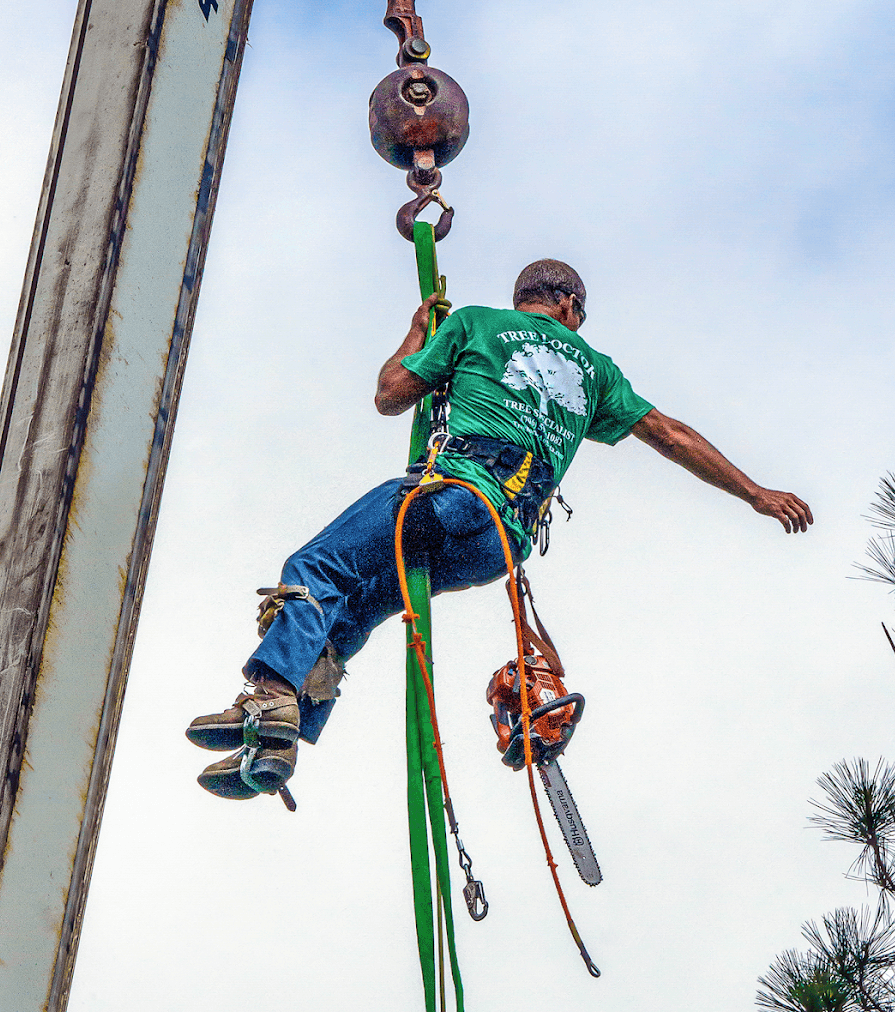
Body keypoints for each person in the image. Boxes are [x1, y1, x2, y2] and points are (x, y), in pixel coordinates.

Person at [186, 259, 813, 799]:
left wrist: (417, 333)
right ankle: (280, 737)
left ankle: (271, 698)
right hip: (499, 545)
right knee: (358, 607)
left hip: (451, 498)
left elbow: (391, 394)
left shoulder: (475, 324)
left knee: (317, 569)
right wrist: (755, 494)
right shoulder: (597, 370)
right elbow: (670, 435)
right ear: (568, 305)